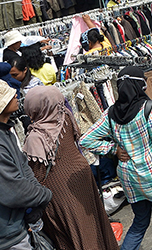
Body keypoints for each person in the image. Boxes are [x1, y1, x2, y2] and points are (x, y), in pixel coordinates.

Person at [81, 67, 152, 250]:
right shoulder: (147, 108)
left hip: (130, 179)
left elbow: (86, 139)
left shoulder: (111, 113)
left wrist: (113, 149)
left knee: (140, 222)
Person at [22, 86, 119, 250]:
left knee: (74, 229)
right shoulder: (64, 115)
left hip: (60, 189)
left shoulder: (36, 137)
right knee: (92, 223)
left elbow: (37, 175)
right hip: (80, 175)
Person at [0, 79, 53, 250]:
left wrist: (36, 201)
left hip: (12, 232)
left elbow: (24, 169)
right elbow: (14, 191)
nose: (15, 94)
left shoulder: (4, 133)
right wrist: (46, 195)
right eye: (8, 95)